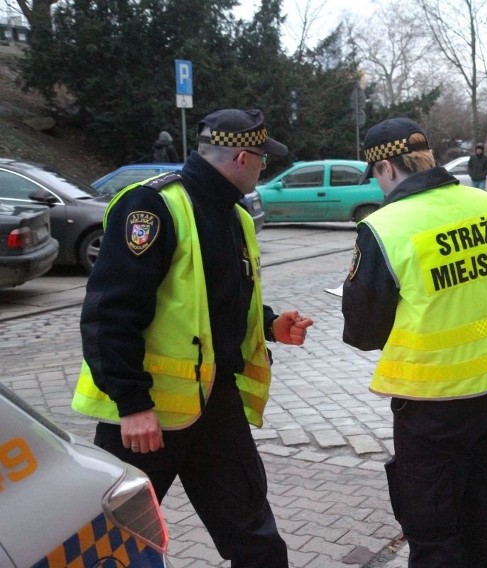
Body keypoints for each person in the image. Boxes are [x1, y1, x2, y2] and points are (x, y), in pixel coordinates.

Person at [72, 108, 313, 567]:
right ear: (242, 157)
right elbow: (110, 313)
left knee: (256, 539)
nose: (266, 167)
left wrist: (268, 323)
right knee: (115, 545)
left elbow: (217, 302)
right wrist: (133, 404)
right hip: (145, 421)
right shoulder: (152, 206)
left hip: (213, 406)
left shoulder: (236, 217)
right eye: (263, 158)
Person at [341, 117, 487, 567]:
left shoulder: (385, 227)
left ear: (386, 168)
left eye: (376, 178)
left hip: (432, 408)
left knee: (435, 537)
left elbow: (362, 332)